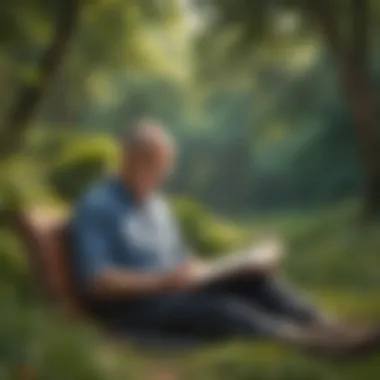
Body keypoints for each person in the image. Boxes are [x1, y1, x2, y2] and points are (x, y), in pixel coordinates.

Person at [70, 120, 380, 358]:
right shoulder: (98, 206)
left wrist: (229, 267)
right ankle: (307, 342)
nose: (162, 175)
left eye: (165, 166)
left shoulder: (156, 205)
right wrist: (161, 281)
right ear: (128, 159)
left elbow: (181, 259)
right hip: (137, 308)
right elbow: (97, 281)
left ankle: (327, 326)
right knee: (219, 308)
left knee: (254, 283)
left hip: (174, 289)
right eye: (154, 165)